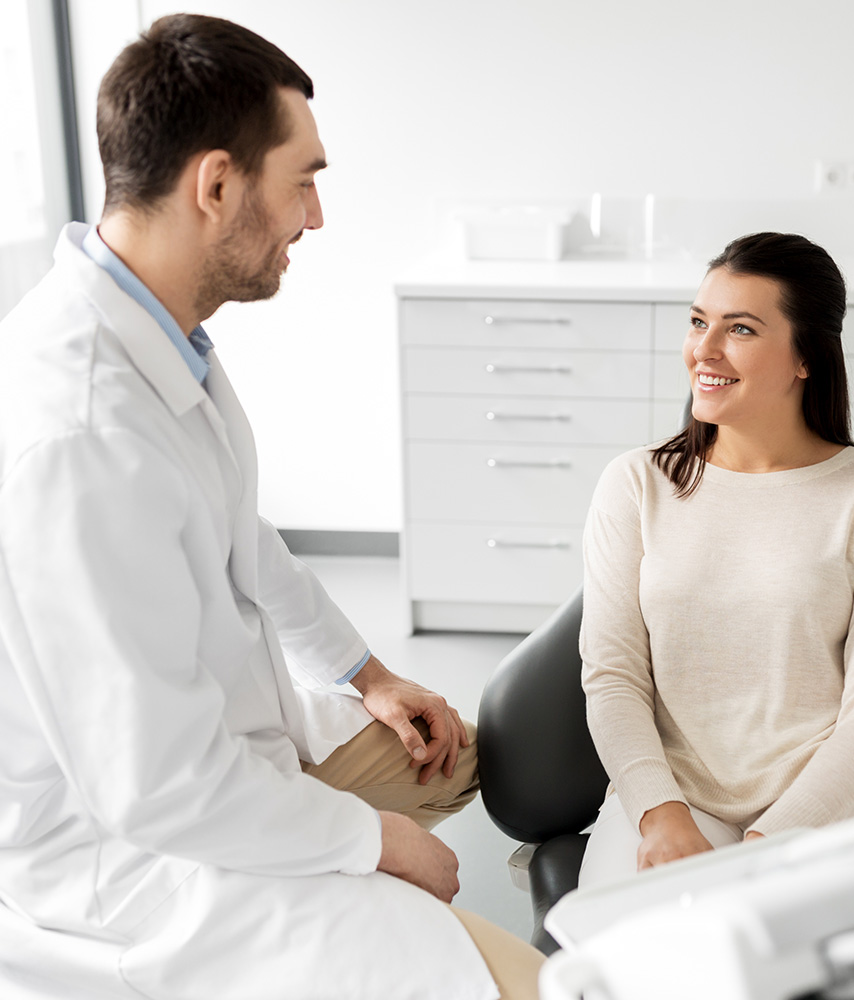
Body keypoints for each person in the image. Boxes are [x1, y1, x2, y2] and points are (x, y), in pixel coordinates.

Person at [0, 14, 543, 1000]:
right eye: (303, 179)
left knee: (454, 756)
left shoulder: (160, 339)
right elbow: (152, 786)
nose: (315, 217)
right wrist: (368, 844)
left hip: (225, 751)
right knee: (519, 987)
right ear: (215, 185)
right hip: (132, 862)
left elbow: (239, 532)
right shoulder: (80, 432)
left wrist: (369, 674)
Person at [577, 232, 854, 888]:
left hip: (833, 805)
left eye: (739, 329)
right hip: (673, 802)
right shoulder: (635, 485)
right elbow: (613, 675)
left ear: (806, 357)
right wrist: (659, 814)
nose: (703, 351)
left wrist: (771, 842)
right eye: (697, 322)